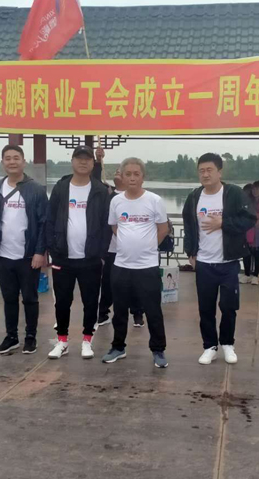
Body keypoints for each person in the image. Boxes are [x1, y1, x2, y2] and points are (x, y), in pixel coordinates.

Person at [183, 153, 256, 365]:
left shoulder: (233, 193)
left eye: (209, 170)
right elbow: (189, 226)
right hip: (204, 262)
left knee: (228, 306)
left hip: (228, 262)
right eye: (201, 171)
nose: (205, 174)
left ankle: (227, 343)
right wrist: (190, 252)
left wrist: (223, 223)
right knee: (205, 308)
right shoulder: (194, 197)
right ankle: (210, 346)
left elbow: (249, 219)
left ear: (219, 172)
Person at [102, 157, 170, 368]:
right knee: (120, 311)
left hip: (147, 266)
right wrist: (127, 243)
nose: (132, 178)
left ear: (143, 177)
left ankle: (158, 350)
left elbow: (163, 229)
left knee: (153, 310)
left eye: (136, 174)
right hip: (121, 265)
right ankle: (118, 347)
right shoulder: (116, 201)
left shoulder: (154, 200)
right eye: (128, 174)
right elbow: (114, 227)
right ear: (122, 177)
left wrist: (148, 246)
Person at [45, 145, 110, 359]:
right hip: (63, 257)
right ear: (72, 161)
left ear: (92, 163)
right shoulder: (61, 188)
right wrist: (51, 248)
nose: (83, 162)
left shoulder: (100, 190)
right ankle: (62, 341)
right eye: (79, 158)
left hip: (90, 258)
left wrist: (101, 253)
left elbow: (106, 224)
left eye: (87, 159)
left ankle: (87, 340)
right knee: (62, 301)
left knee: (90, 301)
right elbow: (50, 219)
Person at [0, 145, 48, 356]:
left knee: (30, 298)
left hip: (28, 255)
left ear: (24, 161)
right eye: (7, 158)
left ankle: (30, 337)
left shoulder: (36, 190)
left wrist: (39, 251)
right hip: (4, 254)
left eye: (16, 158)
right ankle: (11, 337)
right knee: (9, 298)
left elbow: (43, 223)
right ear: (2, 162)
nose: (12, 162)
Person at [93, 150, 144, 328]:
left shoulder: (139, 197)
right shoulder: (107, 194)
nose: (117, 174)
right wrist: (98, 160)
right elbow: (94, 180)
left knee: (135, 283)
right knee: (108, 283)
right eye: (117, 172)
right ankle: (103, 312)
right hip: (112, 249)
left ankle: (137, 313)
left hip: (133, 250)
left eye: (120, 172)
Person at [242, 180, 259, 285]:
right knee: (246, 252)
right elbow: (245, 213)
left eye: (257, 189)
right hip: (248, 229)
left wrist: (257, 217)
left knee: (258, 253)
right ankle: (247, 274)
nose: (255, 191)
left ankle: (257, 275)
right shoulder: (249, 201)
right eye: (253, 189)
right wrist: (255, 218)